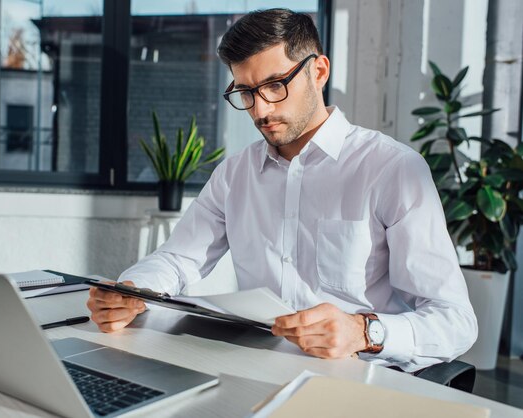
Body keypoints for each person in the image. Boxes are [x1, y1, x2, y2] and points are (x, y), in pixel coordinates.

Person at [86, 8, 477, 372]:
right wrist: (133, 291)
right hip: (258, 368)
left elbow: (455, 320)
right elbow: (177, 260)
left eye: (275, 85)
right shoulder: (234, 174)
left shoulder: (393, 169)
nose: (259, 110)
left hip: (357, 376)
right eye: (245, 92)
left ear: (319, 71)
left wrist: (365, 332)